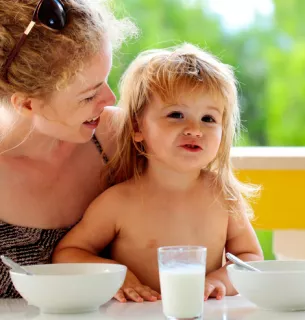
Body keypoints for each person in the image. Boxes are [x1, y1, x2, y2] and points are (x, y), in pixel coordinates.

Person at [52, 43, 264, 303]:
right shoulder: (119, 202)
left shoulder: (222, 195)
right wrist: (116, 275)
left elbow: (249, 257)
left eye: (208, 119)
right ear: (138, 127)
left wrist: (219, 281)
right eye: (176, 114)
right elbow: (69, 252)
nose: (195, 129)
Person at [0, 0, 137, 298]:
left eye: (106, 80)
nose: (110, 98)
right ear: (26, 104)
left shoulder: (119, 139)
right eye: (88, 96)